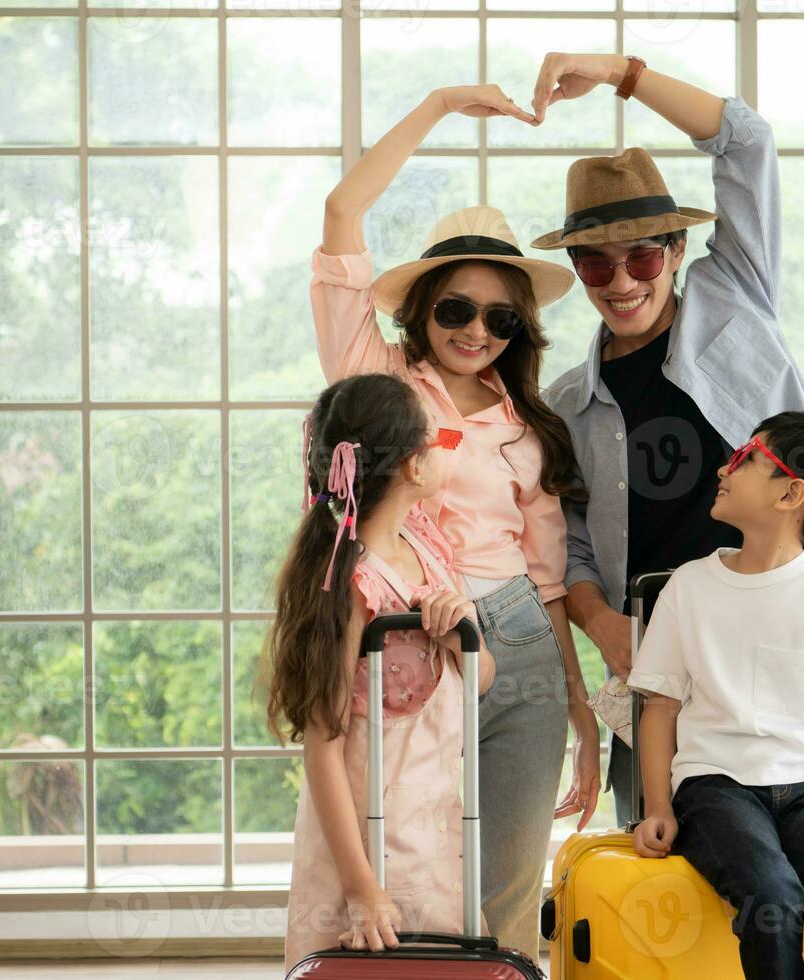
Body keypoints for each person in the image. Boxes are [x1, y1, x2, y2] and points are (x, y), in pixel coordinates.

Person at [529, 52, 804, 826]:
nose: (620, 282)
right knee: (659, 878)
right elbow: (571, 544)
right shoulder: (566, 406)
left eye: (642, 256)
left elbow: (747, 141)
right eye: (594, 263)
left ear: (679, 251)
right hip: (662, 671)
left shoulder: (737, 303)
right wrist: (601, 624)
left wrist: (621, 72)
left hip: (789, 647)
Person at [311, 83, 602, 957]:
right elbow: (341, 210)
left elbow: (548, 579)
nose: (477, 330)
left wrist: (581, 706)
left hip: (517, 643)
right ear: (420, 307)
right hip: (409, 640)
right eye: (456, 309)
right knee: (411, 882)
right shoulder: (376, 374)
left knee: (508, 892)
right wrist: (436, 106)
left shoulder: (531, 421)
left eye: (501, 317)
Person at [628, 410, 804, 980]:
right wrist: (657, 806)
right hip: (714, 787)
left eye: (748, 458)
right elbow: (661, 709)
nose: (726, 466)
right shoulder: (690, 586)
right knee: (769, 903)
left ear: (791, 494)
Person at [269, 373, 499, 971]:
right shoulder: (352, 583)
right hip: (367, 834)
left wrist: (458, 635)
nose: (446, 449)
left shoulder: (425, 548)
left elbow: (477, 682)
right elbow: (322, 744)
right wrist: (361, 888)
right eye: (439, 439)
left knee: (440, 961)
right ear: (411, 467)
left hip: (435, 826)